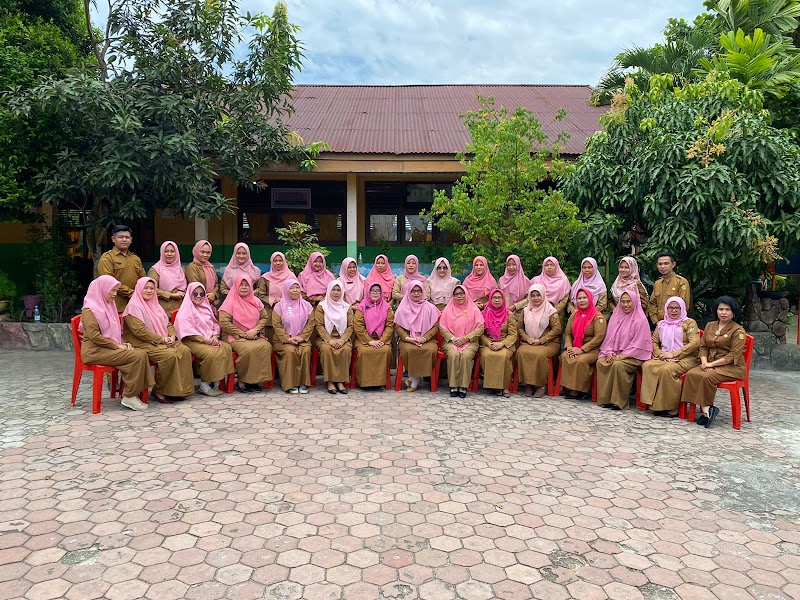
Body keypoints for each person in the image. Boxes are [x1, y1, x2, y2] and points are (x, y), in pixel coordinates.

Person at [79, 275, 153, 411]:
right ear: (102, 290)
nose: (115, 294)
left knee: (141, 353)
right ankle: (130, 396)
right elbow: (94, 336)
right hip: (94, 351)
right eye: (112, 291)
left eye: (116, 290)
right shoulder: (90, 309)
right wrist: (117, 346)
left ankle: (133, 393)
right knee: (136, 356)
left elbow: (115, 331)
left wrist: (123, 343)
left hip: (107, 348)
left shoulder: (108, 305)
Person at [122, 277, 195, 403]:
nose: (149, 291)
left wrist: (172, 336)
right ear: (139, 289)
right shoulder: (133, 308)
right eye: (146, 288)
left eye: (152, 288)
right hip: (142, 344)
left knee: (184, 350)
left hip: (161, 340)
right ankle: (160, 391)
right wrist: (162, 339)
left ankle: (179, 390)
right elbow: (140, 332)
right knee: (169, 355)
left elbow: (168, 324)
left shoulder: (156, 305)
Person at [680, 296, 746, 428]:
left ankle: (706, 411)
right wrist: (704, 362)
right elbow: (703, 346)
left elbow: (732, 355)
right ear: (716, 311)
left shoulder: (738, 331)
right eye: (721, 309)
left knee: (706, 377)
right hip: (709, 363)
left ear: (733, 312)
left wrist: (711, 365)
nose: (723, 312)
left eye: (727, 309)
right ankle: (707, 410)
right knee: (692, 374)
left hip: (731, 367)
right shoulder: (710, 326)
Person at [640, 297, 701, 417]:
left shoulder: (689, 323)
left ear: (682, 308)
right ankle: (652, 402)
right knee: (647, 365)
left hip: (686, 358)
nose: (674, 311)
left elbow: (694, 343)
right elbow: (653, 341)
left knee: (667, 370)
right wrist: (660, 354)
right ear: (666, 309)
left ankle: (671, 408)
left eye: (677, 308)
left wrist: (674, 354)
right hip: (664, 356)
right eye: (670, 308)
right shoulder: (662, 324)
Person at [173, 282, 235, 397]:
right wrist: (206, 341)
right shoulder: (185, 311)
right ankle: (204, 385)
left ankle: (217, 381)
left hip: (210, 339)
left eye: (202, 294)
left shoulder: (206, 308)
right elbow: (187, 332)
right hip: (192, 341)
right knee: (210, 353)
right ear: (189, 295)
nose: (199, 296)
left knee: (226, 347)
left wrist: (215, 336)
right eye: (195, 294)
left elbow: (215, 325)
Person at [596, 290, 652, 410]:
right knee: (602, 362)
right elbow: (609, 338)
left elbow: (638, 344)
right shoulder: (616, 316)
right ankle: (606, 399)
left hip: (635, 356)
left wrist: (622, 356)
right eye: (623, 302)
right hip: (616, 354)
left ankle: (618, 402)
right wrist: (609, 352)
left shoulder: (640, 320)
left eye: (628, 302)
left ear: (635, 302)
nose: (625, 305)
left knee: (617, 365)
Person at [218, 274, 273, 393]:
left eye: (247, 285)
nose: (244, 287)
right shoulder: (230, 301)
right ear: (236, 286)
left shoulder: (256, 301)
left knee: (266, 346)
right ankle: (242, 381)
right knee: (248, 350)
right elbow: (224, 322)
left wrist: (255, 330)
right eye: (241, 285)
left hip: (253, 335)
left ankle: (255, 381)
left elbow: (264, 317)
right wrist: (243, 334)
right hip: (234, 336)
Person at [560, 288, 607, 399]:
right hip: (575, 347)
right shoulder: (574, 315)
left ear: (590, 299)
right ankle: (569, 386)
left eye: (584, 298)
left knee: (580, 361)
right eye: (579, 298)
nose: (582, 301)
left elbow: (598, 338)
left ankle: (580, 390)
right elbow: (568, 334)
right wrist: (569, 347)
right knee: (565, 356)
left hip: (592, 349)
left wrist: (582, 349)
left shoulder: (598, 317)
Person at [516, 284, 562, 398]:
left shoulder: (550, 310)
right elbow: (520, 327)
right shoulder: (526, 310)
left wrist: (541, 340)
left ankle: (541, 384)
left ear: (543, 296)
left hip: (549, 343)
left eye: (538, 295)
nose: (535, 298)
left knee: (540, 355)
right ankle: (528, 383)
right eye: (533, 296)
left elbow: (557, 329)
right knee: (521, 352)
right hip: (530, 342)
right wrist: (527, 338)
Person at [394, 281, 440, 392]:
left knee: (429, 350)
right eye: (413, 291)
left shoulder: (430, 308)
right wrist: (408, 338)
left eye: (418, 291)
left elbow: (435, 327)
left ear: (422, 292)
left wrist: (424, 338)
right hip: (407, 339)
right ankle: (415, 379)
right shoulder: (403, 307)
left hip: (427, 339)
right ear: (408, 292)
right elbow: (398, 327)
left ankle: (413, 379)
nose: (416, 293)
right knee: (410, 350)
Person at [439, 285, 484, 398]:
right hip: (450, 341)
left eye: (461, 293)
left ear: (466, 294)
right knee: (453, 355)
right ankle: (453, 385)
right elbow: (442, 328)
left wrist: (466, 338)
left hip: (470, 341)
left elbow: (480, 328)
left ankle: (463, 386)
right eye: (456, 294)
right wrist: (454, 339)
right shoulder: (448, 310)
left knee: (466, 355)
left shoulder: (474, 309)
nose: (459, 296)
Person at [272, 279, 314, 394]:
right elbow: (277, 325)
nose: (295, 290)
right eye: (291, 288)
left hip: (302, 339)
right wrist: (287, 339)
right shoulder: (279, 307)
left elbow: (310, 324)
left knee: (305, 350)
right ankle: (290, 383)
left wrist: (302, 337)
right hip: (283, 340)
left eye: (297, 287)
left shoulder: (307, 305)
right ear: (286, 290)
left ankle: (303, 383)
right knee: (290, 351)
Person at [353, 283, 395, 388]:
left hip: (381, 340)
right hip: (364, 340)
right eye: (372, 290)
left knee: (385, 350)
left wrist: (382, 340)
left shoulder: (387, 307)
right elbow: (358, 326)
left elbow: (390, 326)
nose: (375, 293)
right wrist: (369, 341)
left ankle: (379, 382)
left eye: (378, 291)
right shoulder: (362, 307)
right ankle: (365, 382)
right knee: (364, 352)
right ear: (368, 292)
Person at [315, 281, 353, 394]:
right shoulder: (322, 306)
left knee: (345, 350)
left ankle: (341, 381)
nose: (336, 293)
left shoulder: (346, 307)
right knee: (327, 350)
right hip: (325, 338)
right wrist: (329, 340)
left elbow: (351, 326)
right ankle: (330, 381)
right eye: (333, 290)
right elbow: (319, 325)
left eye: (338, 290)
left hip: (343, 338)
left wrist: (342, 340)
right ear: (329, 291)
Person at [97, 225, 146, 312]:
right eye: (120, 237)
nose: (124, 240)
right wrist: (131, 293)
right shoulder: (107, 258)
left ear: (131, 240)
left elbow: (143, 280)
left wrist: (140, 293)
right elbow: (109, 282)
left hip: (135, 306)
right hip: (115, 307)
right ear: (113, 239)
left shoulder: (135, 259)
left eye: (127, 237)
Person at [479, 289, 518, 397]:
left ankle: (504, 386)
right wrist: (488, 343)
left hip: (504, 342)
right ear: (490, 299)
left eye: (499, 298)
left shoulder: (509, 314)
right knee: (488, 355)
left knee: (503, 355)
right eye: (494, 298)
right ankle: (492, 385)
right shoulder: (483, 314)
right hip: (488, 342)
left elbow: (513, 334)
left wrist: (502, 344)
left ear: (503, 299)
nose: (497, 300)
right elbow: (480, 333)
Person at [648, 253, 691, 325]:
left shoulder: (681, 282)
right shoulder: (657, 283)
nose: (663, 266)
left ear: (673, 265)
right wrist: (656, 321)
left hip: (676, 324)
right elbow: (652, 304)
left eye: (666, 263)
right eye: (660, 264)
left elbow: (684, 305)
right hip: (660, 324)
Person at [256, 251, 296, 329]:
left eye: (280, 261)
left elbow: (297, 292)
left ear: (284, 262)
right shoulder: (265, 277)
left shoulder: (291, 276)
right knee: (271, 336)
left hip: (289, 310)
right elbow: (261, 295)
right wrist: (273, 300)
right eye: (275, 261)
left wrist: (285, 300)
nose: (278, 263)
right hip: (271, 311)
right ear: (271, 262)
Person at [148, 241, 187, 313]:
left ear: (177, 253)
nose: (169, 254)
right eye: (166, 251)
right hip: (163, 311)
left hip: (181, 311)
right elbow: (151, 289)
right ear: (162, 253)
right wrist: (171, 295)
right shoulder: (155, 269)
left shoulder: (181, 270)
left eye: (172, 251)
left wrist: (182, 293)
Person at [186, 240, 221, 306]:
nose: (205, 255)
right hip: (198, 304)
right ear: (196, 251)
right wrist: (207, 296)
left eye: (208, 253)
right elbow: (195, 286)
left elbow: (216, 284)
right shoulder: (192, 267)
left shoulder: (210, 267)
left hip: (211, 304)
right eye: (202, 252)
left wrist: (213, 294)